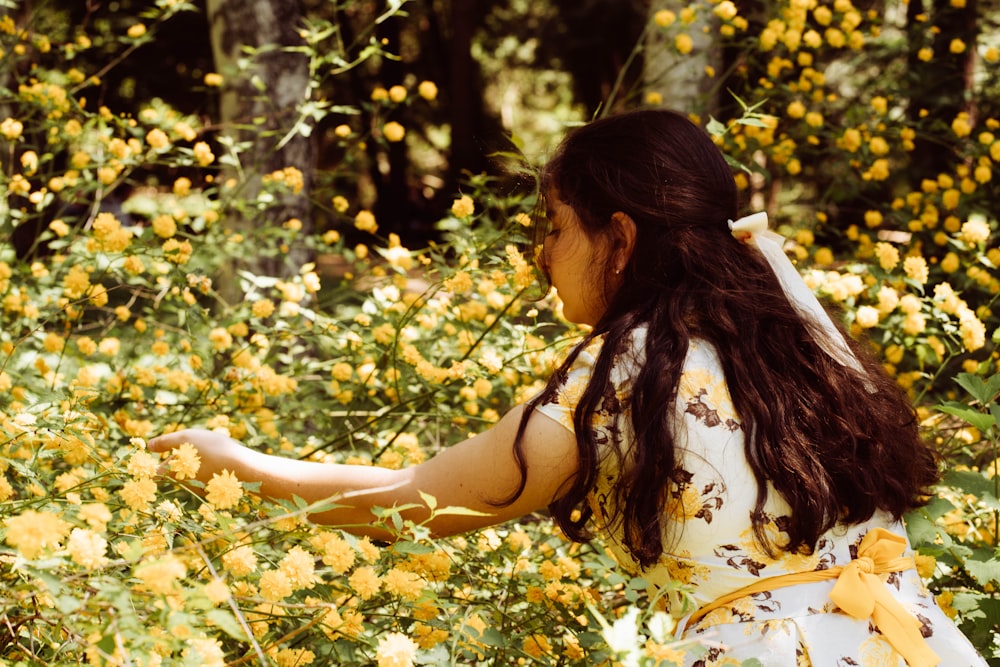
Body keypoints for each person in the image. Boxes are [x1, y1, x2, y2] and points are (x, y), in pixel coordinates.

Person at [149, 109, 986, 666]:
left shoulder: (627, 372)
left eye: (555, 228)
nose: (542, 254)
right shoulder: (802, 339)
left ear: (619, 238)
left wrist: (234, 463)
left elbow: (417, 501)